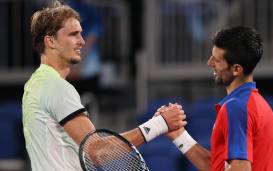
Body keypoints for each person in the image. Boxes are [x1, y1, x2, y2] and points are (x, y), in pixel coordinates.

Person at [22, 1, 186, 170]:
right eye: (73, 34)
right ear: (51, 41)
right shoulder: (56, 87)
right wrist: (159, 124)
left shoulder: (34, 84)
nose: (82, 41)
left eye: (81, 34)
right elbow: (99, 152)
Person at [159, 26, 273, 170]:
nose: (209, 63)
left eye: (216, 60)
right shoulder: (259, 105)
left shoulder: (236, 108)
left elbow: (240, 168)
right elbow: (217, 167)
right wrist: (178, 135)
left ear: (236, 69)